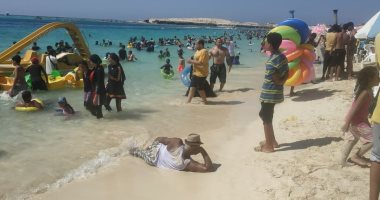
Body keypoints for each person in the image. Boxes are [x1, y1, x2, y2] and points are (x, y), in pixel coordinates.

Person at [254, 32, 289, 153]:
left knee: (266, 118)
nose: (265, 43)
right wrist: (282, 82)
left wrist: (279, 82)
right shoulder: (281, 56)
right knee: (265, 115)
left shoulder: (271, 61)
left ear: (271, 45)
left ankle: (268, 146)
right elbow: (286, 73)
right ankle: (272, 140)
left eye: (266, 42)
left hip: (269, 93)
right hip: (276, 92)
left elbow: (275, 78)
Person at [341, 66, 379, 167]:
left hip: (358, 120)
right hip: (356, 121)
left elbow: (363, 110)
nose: (379, 78)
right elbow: (354, 109)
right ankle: (356, 156)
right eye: (377, 76)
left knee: (352, 139)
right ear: (370, 79)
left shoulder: (369, 90)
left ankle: (343, 161)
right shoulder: (365, 93)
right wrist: (347, 123)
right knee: (374, 139)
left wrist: (366, 119)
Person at [130, 133, 214, 172]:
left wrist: (151, 147)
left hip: (156, 149)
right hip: (153, 159)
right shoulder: (187, 163)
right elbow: (208, 168)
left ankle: (127, 150)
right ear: (196, 148)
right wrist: (203, 151)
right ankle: (125, 151)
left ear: (187, 142)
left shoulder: (177, 142)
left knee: (137, 150)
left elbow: (159, 139)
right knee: (138, 152)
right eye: (198, 147)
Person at [186, 39, 209, 104]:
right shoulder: (198, 51)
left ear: (200, 44)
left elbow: (201, 63)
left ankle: (205, 102)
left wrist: (190, 61)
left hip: (201, 73)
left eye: (196, 44)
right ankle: (188, 102)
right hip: (195, 73)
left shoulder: (204, 51)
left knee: (200, 89)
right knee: (192, 88)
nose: (195, 45)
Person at [88, 54, 106, 119]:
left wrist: (96, 95)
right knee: (91, 107)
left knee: (97, 109)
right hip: (95, 90)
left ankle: (100, 124)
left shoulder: (99, 69)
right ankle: (99, 123)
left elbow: (99, 83)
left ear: (94, 61)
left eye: (90, 61)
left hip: (98, 91)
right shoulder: (96, 68)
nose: (89, 62)